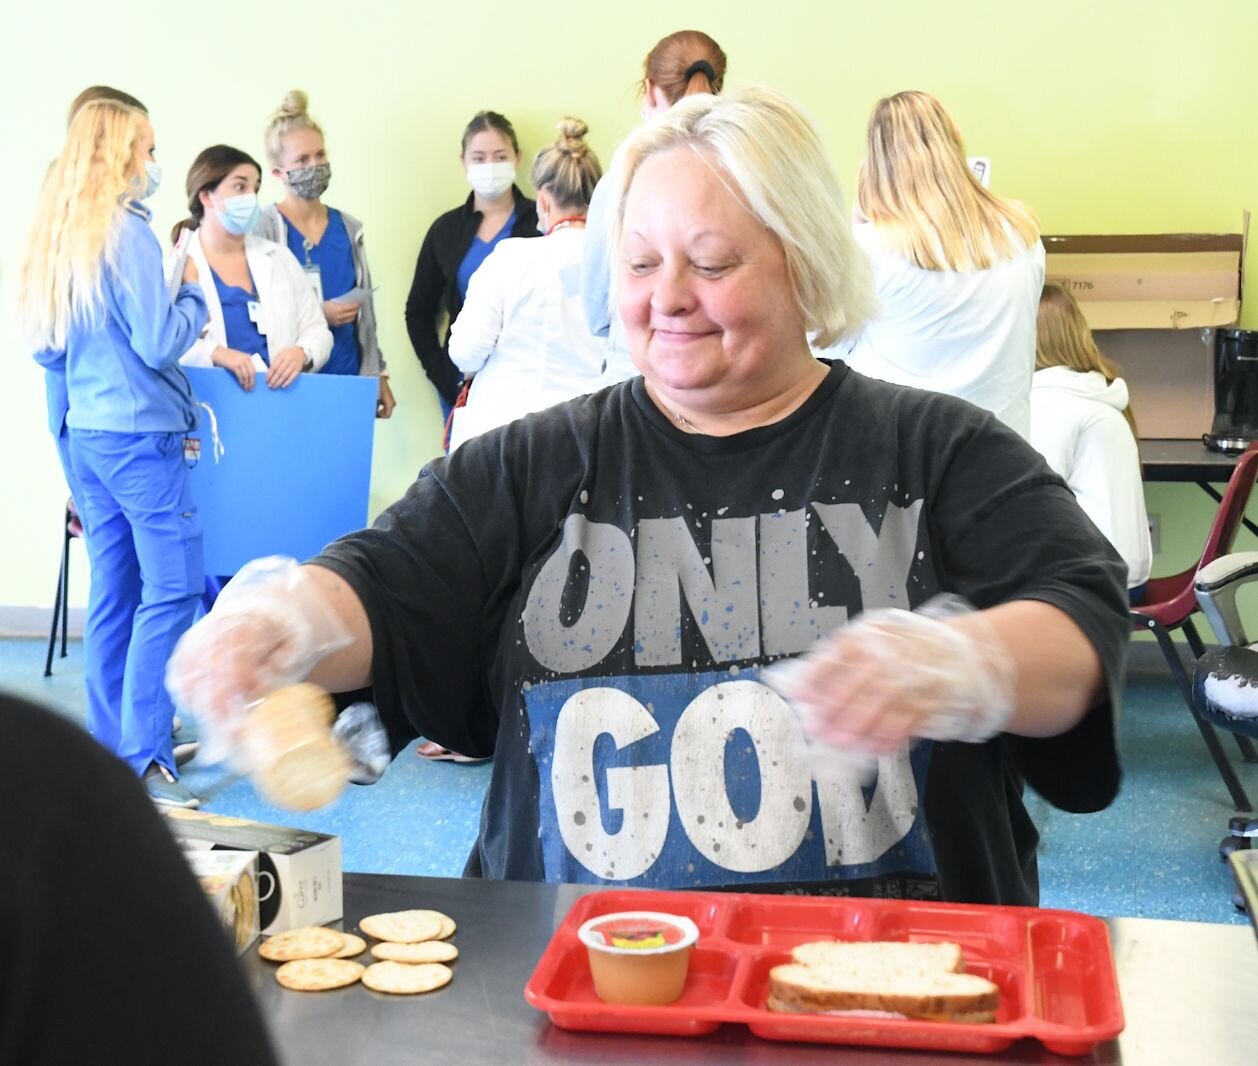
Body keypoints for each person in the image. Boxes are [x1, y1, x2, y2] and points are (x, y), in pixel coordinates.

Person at [168, 87, 1127, 906]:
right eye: (638, 262)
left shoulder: (937, 449)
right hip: (576, 984)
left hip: (903, 982)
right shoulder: (534, 465)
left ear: (805, 263)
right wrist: (277, 624)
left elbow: (1080, 621)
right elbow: (384, 586)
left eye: (711, 263)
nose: (666, 296)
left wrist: (972, 663)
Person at [19, 100, 209, 807]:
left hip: (89, 439)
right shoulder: (128, 236)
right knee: (172, 589)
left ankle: (110, 752)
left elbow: (47, 349)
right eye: (148, 148)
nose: (154, 162)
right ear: (122, 152)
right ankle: (144, 752)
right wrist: (190, 294)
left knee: (114, 594)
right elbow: (160, 342)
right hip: (140, 439)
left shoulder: (61, 234)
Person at [0, 691, 280, 1066]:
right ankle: (148, 755)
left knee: (113, 629)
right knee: (158, 628)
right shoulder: (52, 784)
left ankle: (116, 733)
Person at [835, 91, 1045, 437]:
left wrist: (857, 221)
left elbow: (826, 351)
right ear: (955, 146)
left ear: (875, 164)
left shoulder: (870, 248)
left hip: (904, 456)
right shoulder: (1023, 237)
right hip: (1005, 455)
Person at [446, 118, 605, 451]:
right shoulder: (621, 263)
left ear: (543, 200)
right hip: (592, 439)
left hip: (505, 442)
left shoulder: (510, 258)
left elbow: (466, 352)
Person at [582, 28, 727, 384]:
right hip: (723, 385)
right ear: (717, 85)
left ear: (648, 90)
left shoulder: (621, 181)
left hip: (633, 382)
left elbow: (597, 313)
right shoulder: (747, 174)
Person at [256, 90, 395, 418]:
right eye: (302, 161)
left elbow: (367, 318)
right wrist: (320, 314)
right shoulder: (264, 228)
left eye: (320, 155)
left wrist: (377, 375)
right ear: (278, 172)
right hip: (286, 384)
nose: (315, 166)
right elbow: (254, 311)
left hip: (345, 379)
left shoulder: (348, 228)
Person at [405, 111, 539, 423]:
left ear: (517, 158)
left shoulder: (540, 222)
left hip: (529, 381)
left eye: (500, 156)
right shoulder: (445, 230)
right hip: (462, 384)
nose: (489, 166)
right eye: (478, 158)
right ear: (463, 161)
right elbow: (418, 312)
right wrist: (442, 374)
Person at [169, 145, 332, 389]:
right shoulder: (179, 265)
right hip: (210, 404)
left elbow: (317, 330)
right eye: (240, 186)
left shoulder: (279, 257)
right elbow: (164, 342)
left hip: (277, 401)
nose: (251, 197)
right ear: (205, 196)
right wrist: (215, 353)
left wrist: (302, 352)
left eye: (255, 188)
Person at [1030, 284, 1152, 603]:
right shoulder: (1096, 390)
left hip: (1096, 582)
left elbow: (1030, 497)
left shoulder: (1051, 401)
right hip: (1126, 574)